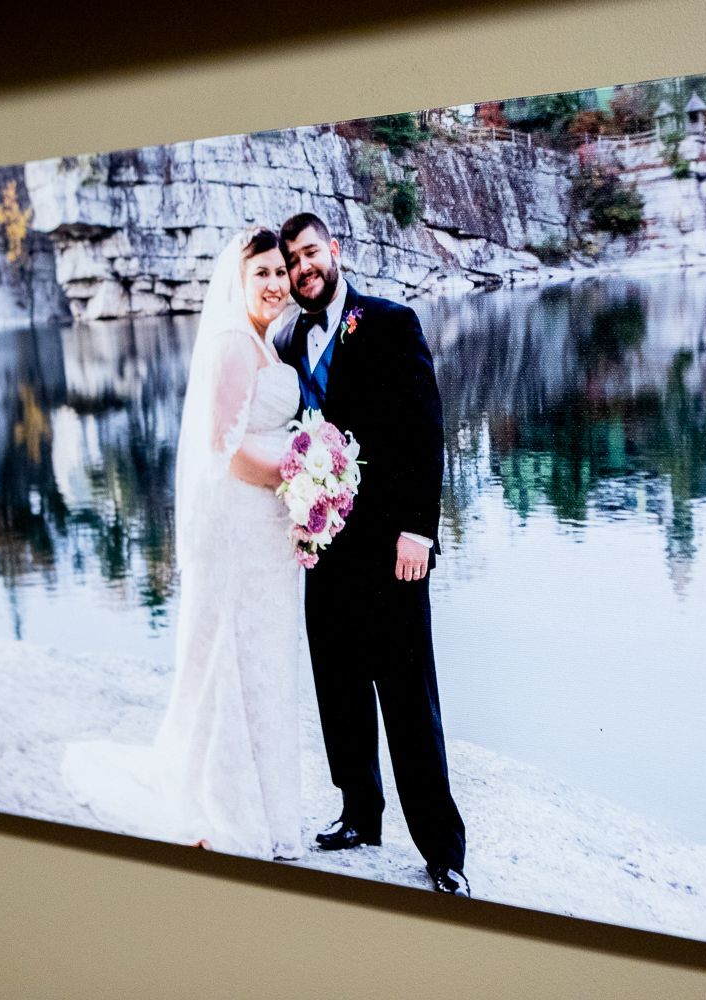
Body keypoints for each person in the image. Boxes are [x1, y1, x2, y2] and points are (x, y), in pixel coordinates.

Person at [60, 227, 306, 861]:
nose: (278, 283)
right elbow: (225, 449)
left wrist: (307, 485)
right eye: (264, 275)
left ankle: (267, 805)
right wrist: (302, 481)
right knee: (235, 654)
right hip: (243, 527)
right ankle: (225, 804)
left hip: (268, 530)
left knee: (264, 660)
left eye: (281, 271)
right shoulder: (231, 344)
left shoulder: (265, 342)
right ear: (239, 281)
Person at [272, 212, 469, 895]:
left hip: (391, 547)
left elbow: (426, 429)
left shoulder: (389, 322)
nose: (302, 270)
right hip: (323, 545)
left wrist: (420, 528)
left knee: (409, 697)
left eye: (308, 255)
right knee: (339, 685)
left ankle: (443, 850)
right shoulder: (289, 340)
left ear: (334, 250)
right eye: (291, 262)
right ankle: (360, 812)